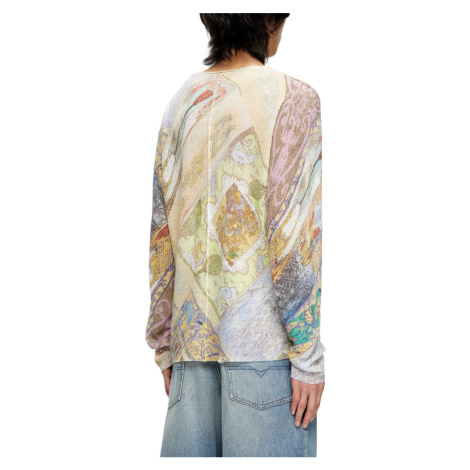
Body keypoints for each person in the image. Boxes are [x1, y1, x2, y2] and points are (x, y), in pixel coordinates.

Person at [146, 13, 326, 457]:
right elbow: (293, 236)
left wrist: (165, 344)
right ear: (268, 19)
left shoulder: (181, 102)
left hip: (190, 358)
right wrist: (308, 355)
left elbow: (161, 236)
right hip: (265, 359)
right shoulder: (294, 98)